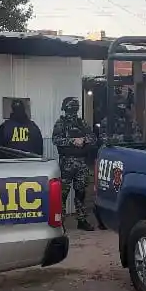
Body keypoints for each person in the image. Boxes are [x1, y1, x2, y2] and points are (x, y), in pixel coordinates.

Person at [53, 96, 96, 231]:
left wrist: (83, 139)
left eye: (75, 107)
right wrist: (72, 141)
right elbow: (56, 140)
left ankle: (81, 220)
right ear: (66, 108)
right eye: (72, 107)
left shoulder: (82, 123)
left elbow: (93, 138)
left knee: (81, 193)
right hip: (66, 163)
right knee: (63, 195)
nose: (73, 110)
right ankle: (61, 222)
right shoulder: (60, 123)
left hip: (81, 164)